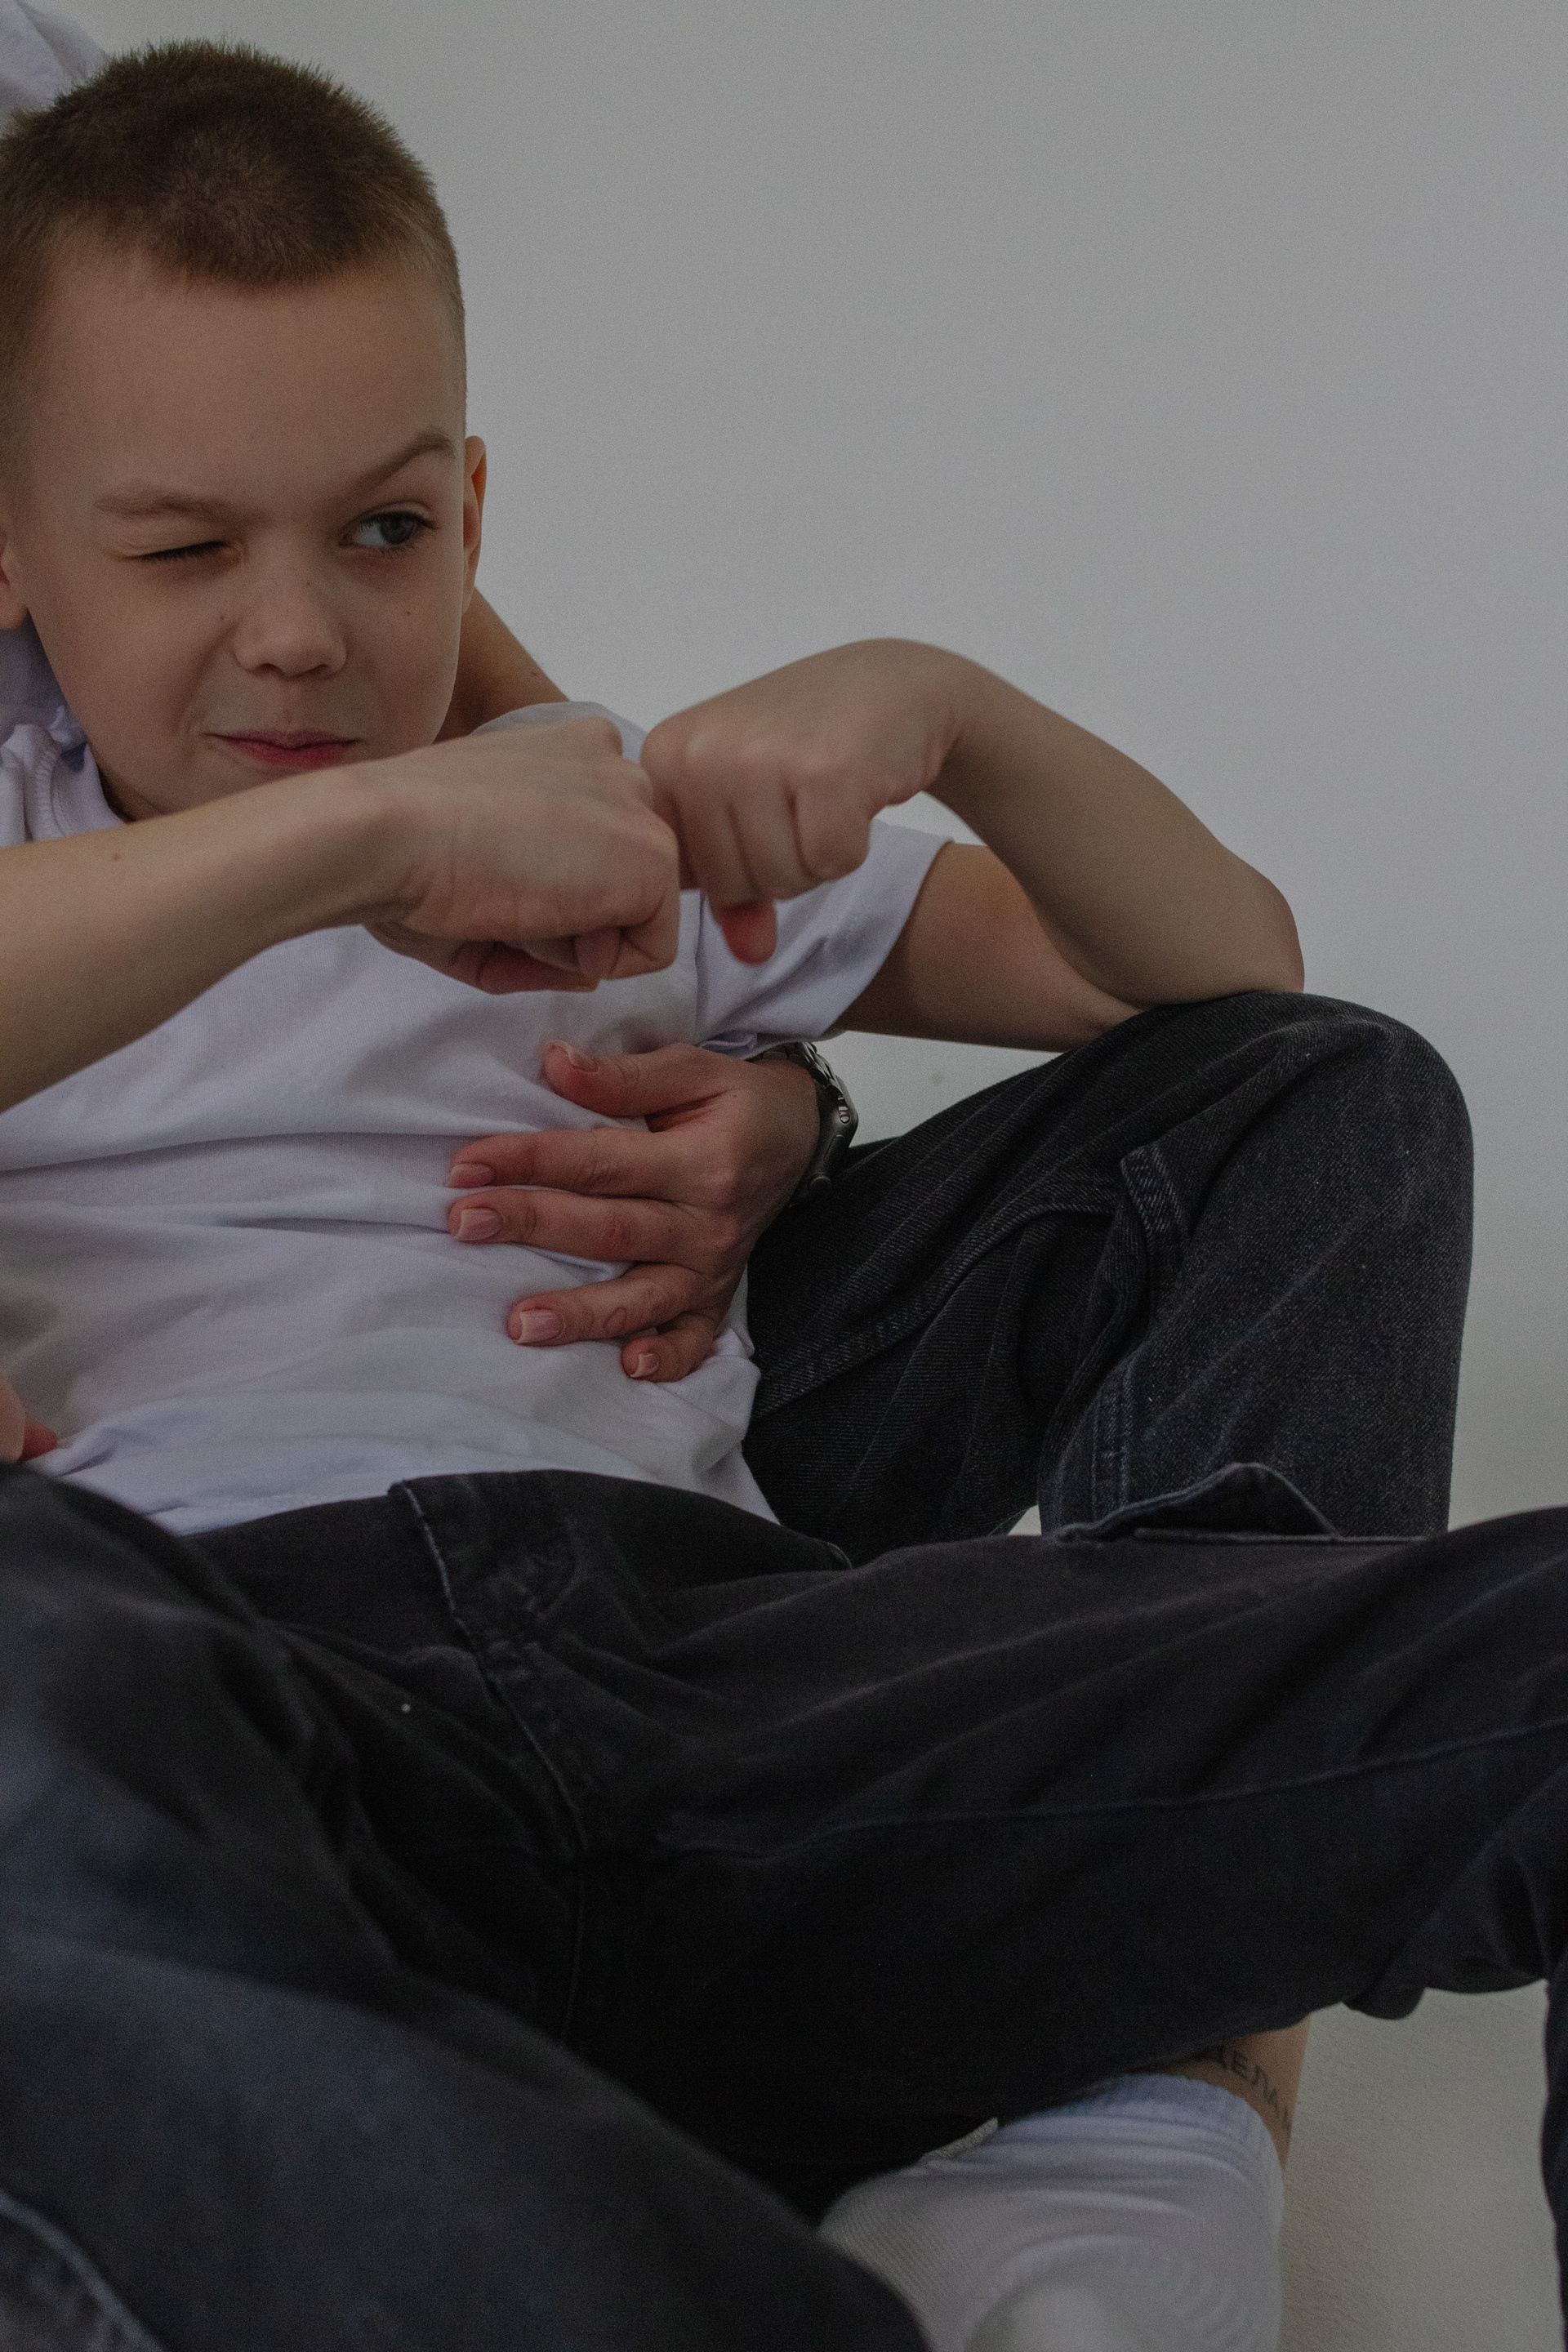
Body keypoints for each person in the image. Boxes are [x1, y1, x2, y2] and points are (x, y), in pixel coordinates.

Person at [0, 22, 1500, 2352]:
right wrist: (371, 831)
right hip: (237, 1684)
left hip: (713, 1657)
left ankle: (1138, 2075)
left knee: (1332, 1096)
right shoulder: (67, 875)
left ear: (472, 512)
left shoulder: (578, 834)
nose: (298, 629)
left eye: (384, 533)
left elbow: (1221, 970)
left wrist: (954, 708)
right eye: (187, 550)